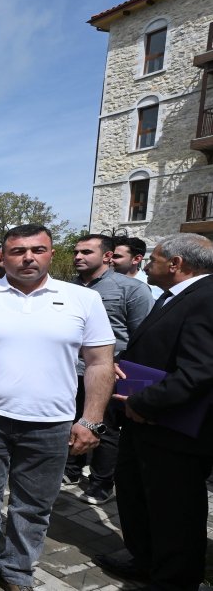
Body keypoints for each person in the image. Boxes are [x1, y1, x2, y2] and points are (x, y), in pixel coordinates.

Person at [0, 224, 115, 591]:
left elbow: (101, 363)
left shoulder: (82, 300)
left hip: (50, 422)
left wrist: (92, 420)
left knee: (34, 505)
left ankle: (18, 570)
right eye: (18, 251)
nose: (27, 257)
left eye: (37, 250)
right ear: (4, 256)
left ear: (50, 253)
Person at [94, 234, 213, 590]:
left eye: (155, 259)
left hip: (174, 432)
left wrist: (141, 402)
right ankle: (145, 560)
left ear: (176, 264)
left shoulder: (206, 299)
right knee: (138, 496)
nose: (147, 264)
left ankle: (174, 579)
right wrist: (121, 365)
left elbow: (201, 370)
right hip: (146, 426)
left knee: (174, 512)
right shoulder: (177, 297)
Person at [64, 234, 151, 505]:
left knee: (105, 429)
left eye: (86, 252)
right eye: (76, 251)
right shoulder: (65, 289)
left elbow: (143, 336)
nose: (78, 256)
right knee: (71, 421)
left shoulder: (131, 290)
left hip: (108, 373)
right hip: (68, 371)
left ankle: (101, 483)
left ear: (107, 256)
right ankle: (71, 470)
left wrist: (124, 369)